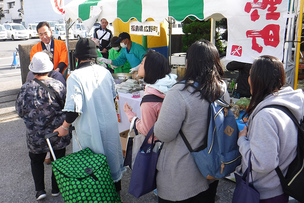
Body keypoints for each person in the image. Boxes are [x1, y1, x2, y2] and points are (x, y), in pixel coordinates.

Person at [154, 40, 229, 202]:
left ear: (188, 63)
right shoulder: (221, 89)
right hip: (211, 168)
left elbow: (163, 134)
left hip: (182, 176)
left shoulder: (180, 92)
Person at [53, 38, 126, 193]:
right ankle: (116, 195)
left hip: (89, 127)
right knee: (110, 158)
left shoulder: (75, 76)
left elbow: (74, 109)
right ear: (94, 56)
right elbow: (113, 97)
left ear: (77, 57)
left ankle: (99, 197)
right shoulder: (105, 72)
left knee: (92, 167)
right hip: (109, 125)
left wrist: (64, 127)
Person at [237, 55, 304, 202]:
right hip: (280, 187)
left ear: (257, 79)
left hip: (264, 193)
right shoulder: (288, 103)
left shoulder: (266, 116)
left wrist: (242, 140)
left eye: (250, 75)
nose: (248, 79)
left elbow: (263, 163)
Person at [15, 51, 71, 200]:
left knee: (36, 160)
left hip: (35, 135)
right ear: (49, 68)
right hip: (57, 133)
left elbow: (19, 111)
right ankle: (55, 188)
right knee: (58, 159)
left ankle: (40, 190)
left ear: (32, 70)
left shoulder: (25, 88)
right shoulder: (58, 85)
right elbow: (67, 107)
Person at [123, 49, 177, 136]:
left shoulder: (149, 101)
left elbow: (147, 131)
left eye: (141, 63)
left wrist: (131, 116)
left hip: (158, 145)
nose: (139, 66)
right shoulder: (173, 87)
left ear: (149, 69)